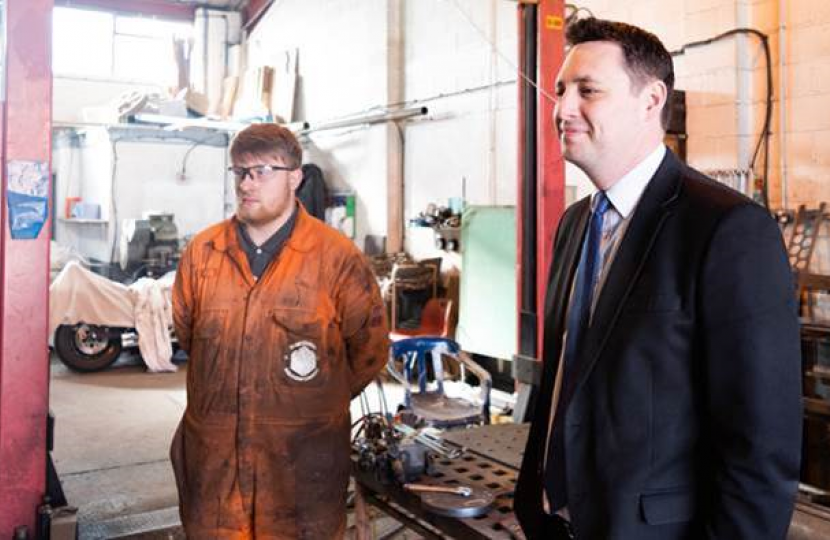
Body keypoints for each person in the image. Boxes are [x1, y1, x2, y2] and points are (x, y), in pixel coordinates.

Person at [515, 18, 802, 540]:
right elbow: (565, 380)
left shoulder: (726, 229)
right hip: (558, 522)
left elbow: (760, 445)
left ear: (651, 101)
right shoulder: (576, 224)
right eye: (560, 91)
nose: (562, 109)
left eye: (588, 90)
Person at [170, 123, 389, 538]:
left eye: (262, 171)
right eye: (239, 172)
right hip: (215, 468)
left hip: (301, 468)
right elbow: (189, 334)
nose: (247, 184)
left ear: (295, 177)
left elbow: (369, 352)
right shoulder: (202, 253)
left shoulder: (337, 259)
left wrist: (307, 403)